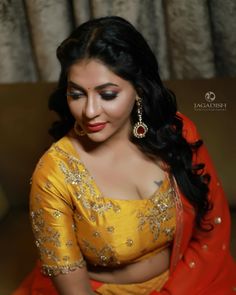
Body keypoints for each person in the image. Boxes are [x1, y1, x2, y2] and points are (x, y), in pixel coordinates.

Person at [13, 16, 236, 295]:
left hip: (190, 282)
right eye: (77, 94)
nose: (90, 111)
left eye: (107, 94)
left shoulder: (175, 133)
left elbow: (211, 227)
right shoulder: (54, 174)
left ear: (138, 90)